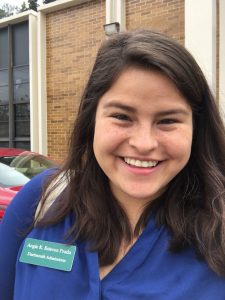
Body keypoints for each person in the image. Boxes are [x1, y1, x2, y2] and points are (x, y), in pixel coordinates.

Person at [1, 29, 225, 300]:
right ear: (92, 119)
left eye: (167, 120)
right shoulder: (40, 199)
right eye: (121, 116)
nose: (144, 144)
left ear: (196, 129)